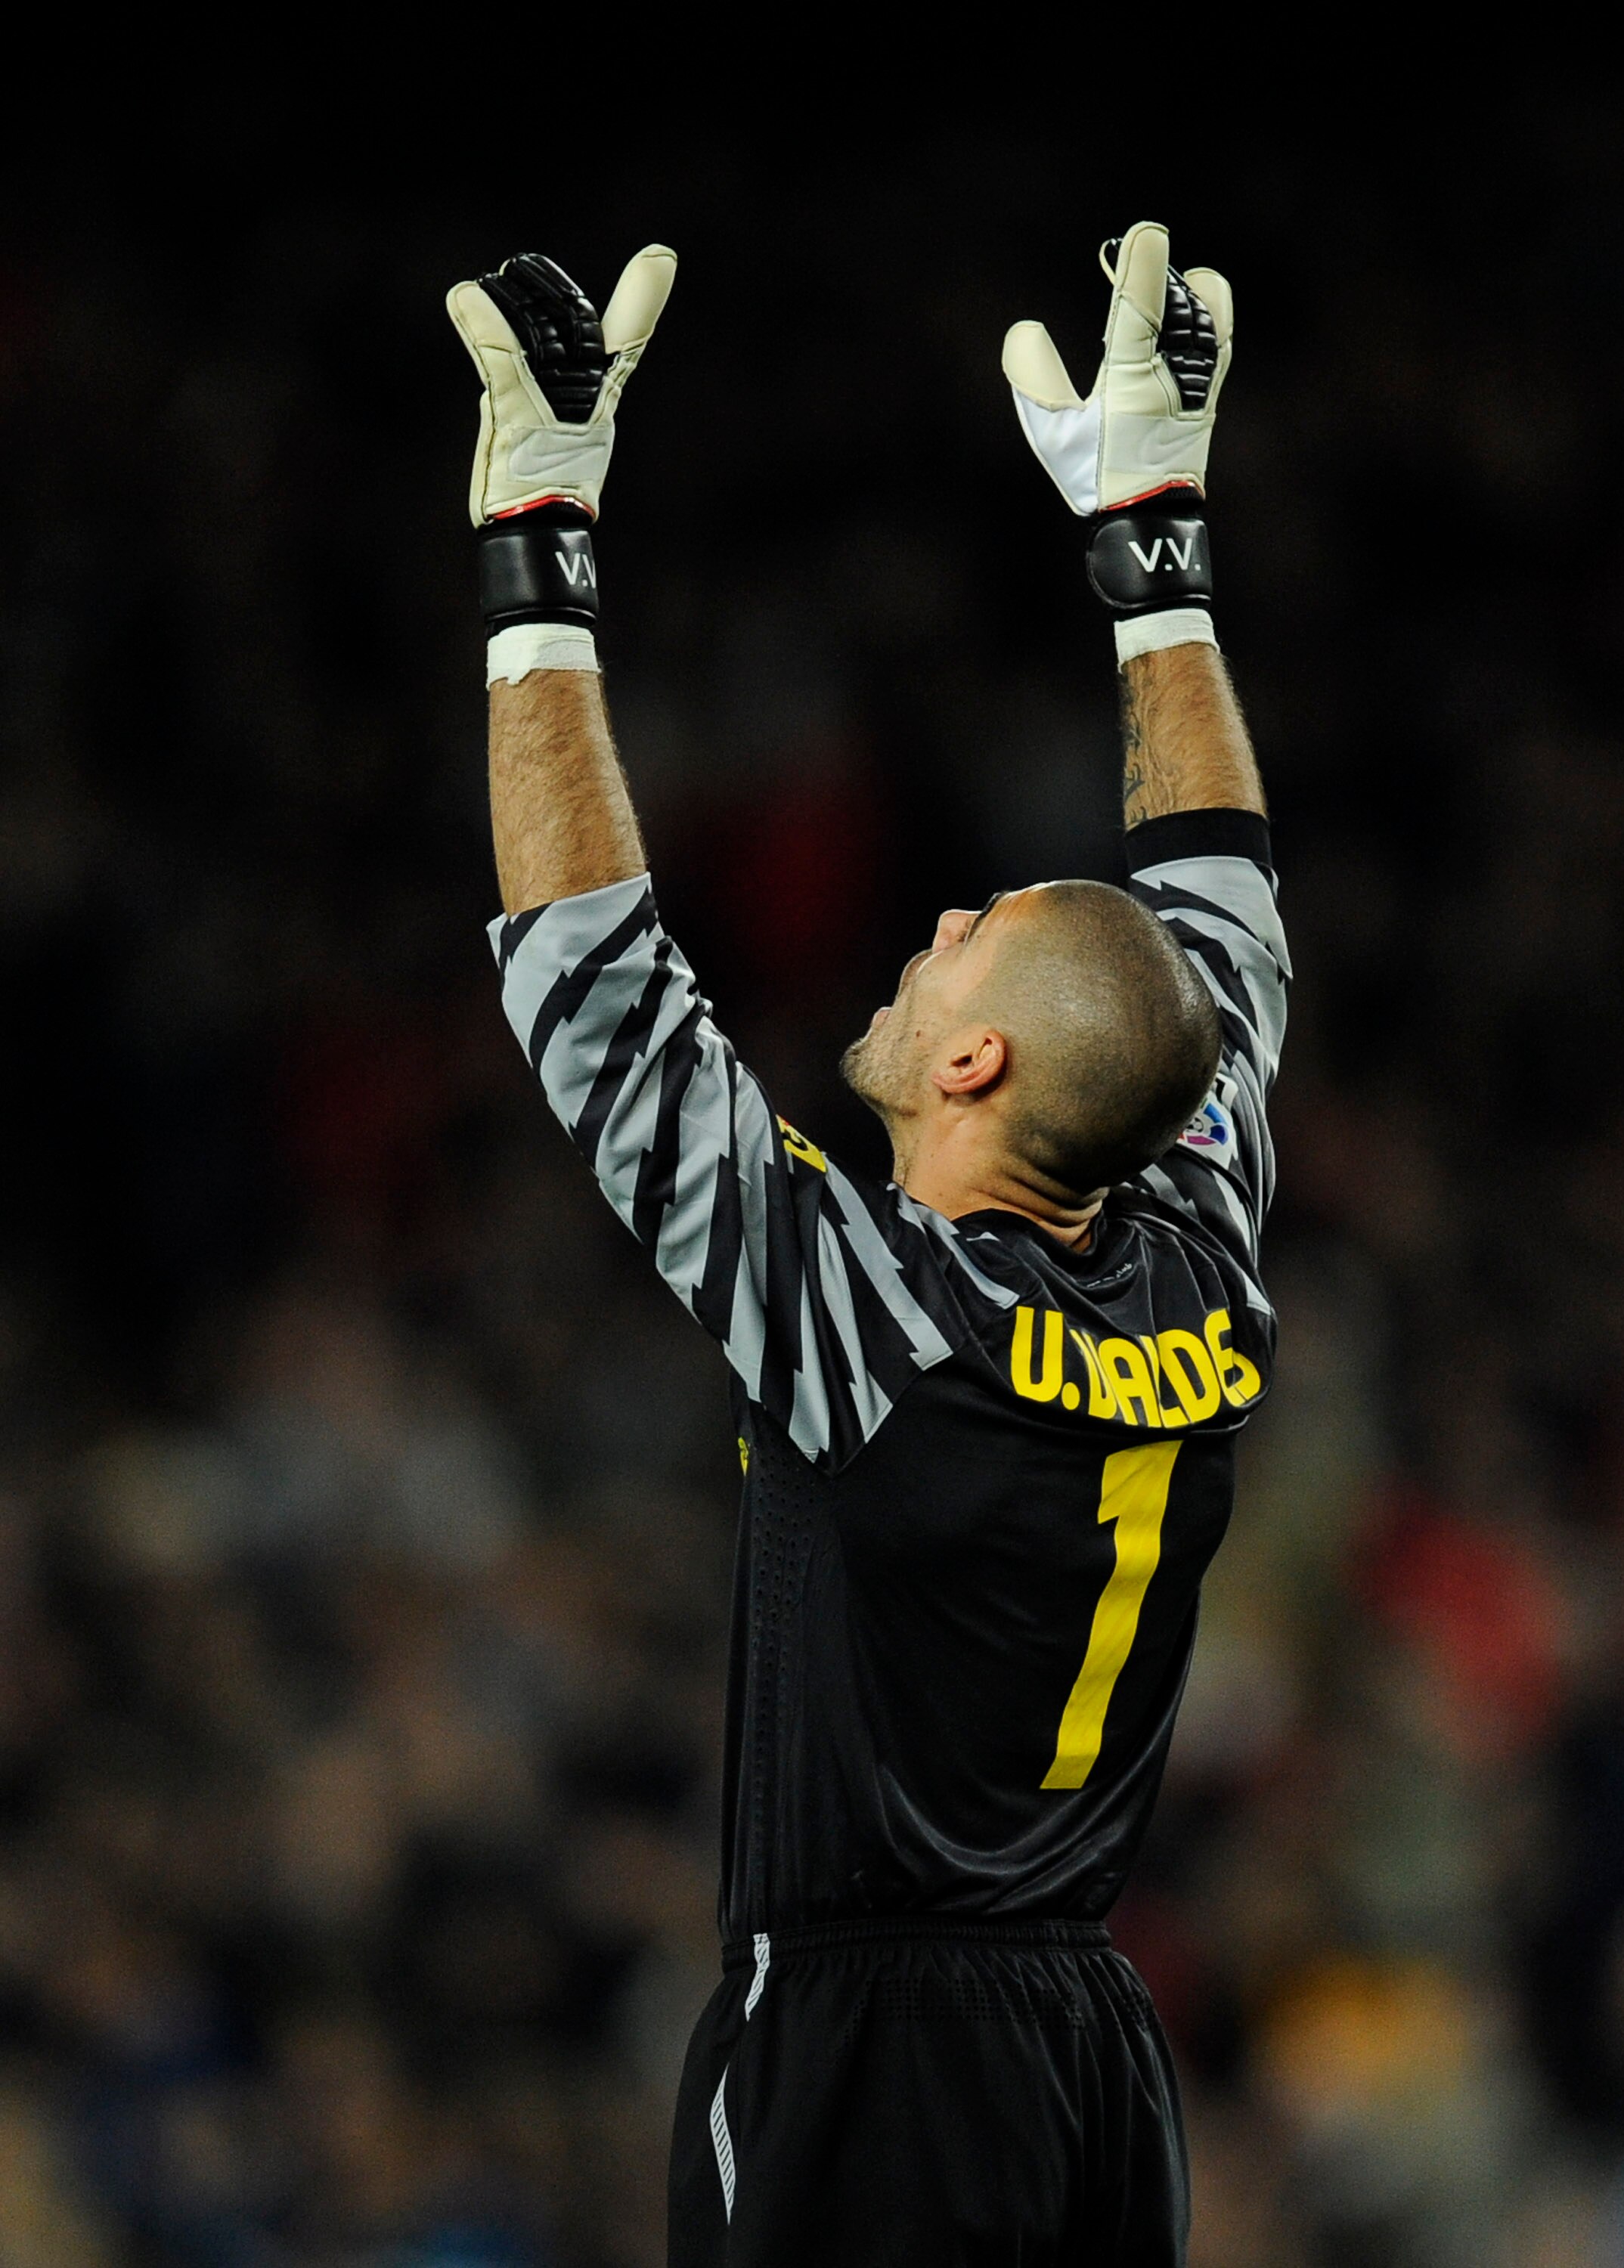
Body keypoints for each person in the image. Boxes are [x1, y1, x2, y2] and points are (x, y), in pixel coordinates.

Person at [448, 219, 1287, 2266]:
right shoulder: (1195, 1264)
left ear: (980, 1060)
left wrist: (535, 550)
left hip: (863, 2057)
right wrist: (1151, 540)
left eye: (956, 940)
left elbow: (593, 984)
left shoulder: (877, 1311)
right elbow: (1220, 914)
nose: (921, 934)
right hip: (1090, 2045)